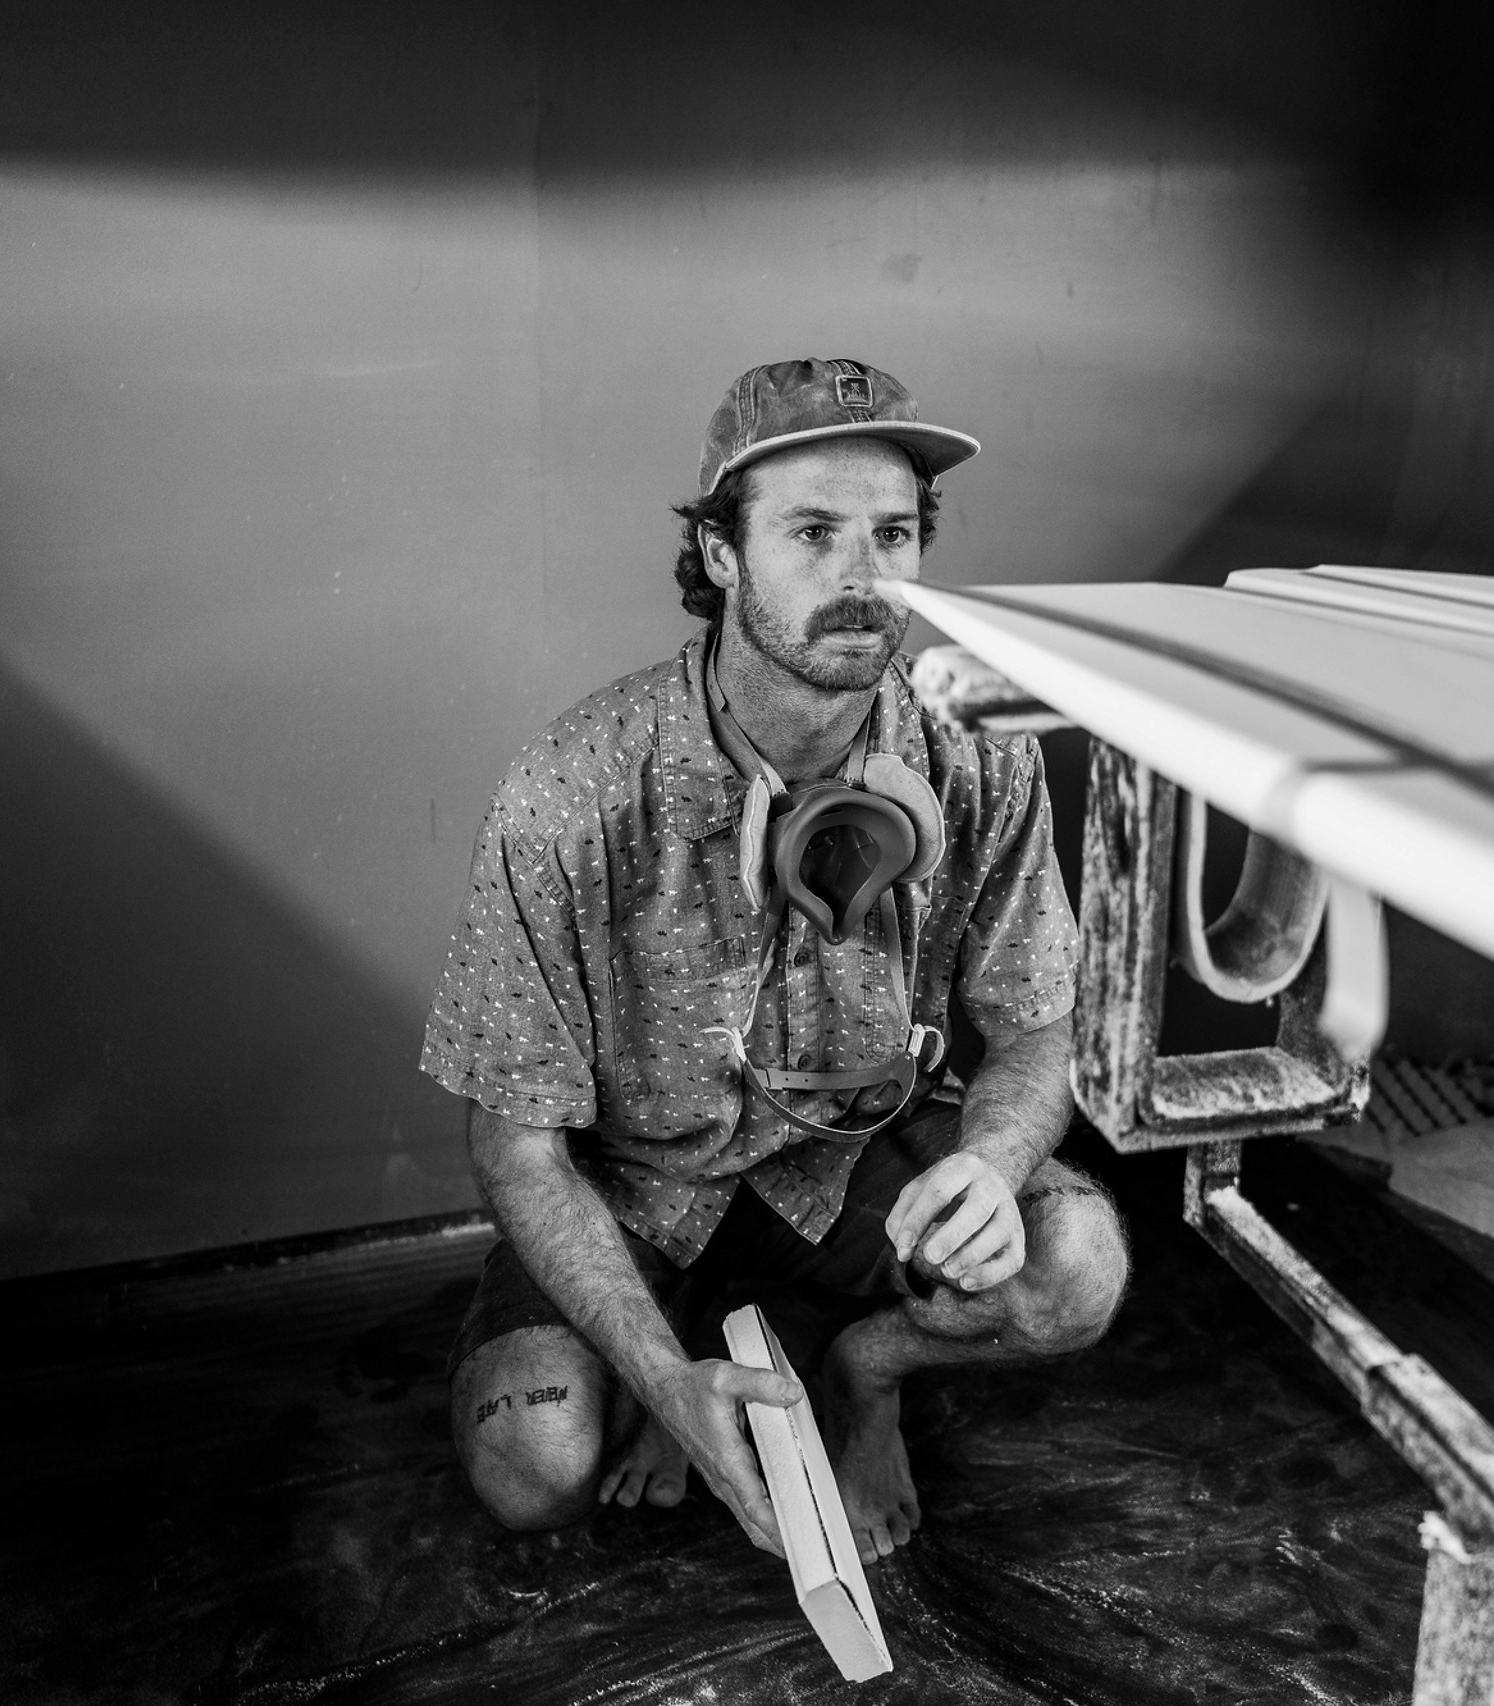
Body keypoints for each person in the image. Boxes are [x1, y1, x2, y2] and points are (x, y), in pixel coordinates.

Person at [421, 357, 1130, 1565]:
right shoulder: (572, 785)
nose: (865, 577)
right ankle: (678, 1346)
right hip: (636, 1187)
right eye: (813, 532)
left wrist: (996, 1161)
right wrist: (659, 1377)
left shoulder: (978, 756)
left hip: (852, 1164)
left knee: (1078, 1271)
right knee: (530, 1466)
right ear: (717, 554)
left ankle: (862, 1367)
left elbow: (1036, 1025)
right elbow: (515, 1143)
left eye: (894, 534)